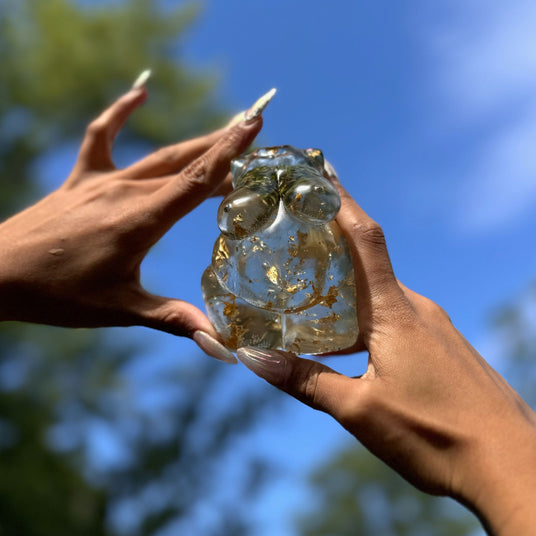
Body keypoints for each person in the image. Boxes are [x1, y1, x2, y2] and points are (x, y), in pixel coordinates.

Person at [0, 72, 535, 535]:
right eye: (255, 207)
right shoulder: (240, 225)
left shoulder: (317, 233)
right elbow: (228, 275)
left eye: (304, 199)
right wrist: (504, 448)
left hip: (313, 306)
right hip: (261, 305)